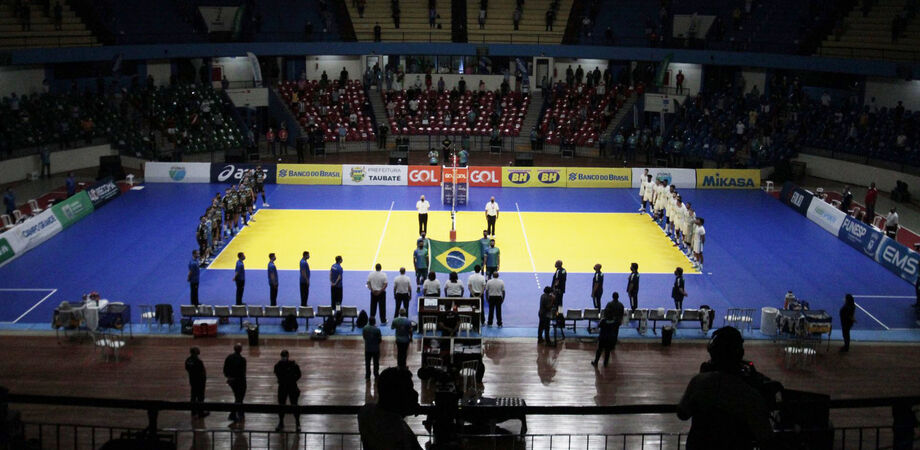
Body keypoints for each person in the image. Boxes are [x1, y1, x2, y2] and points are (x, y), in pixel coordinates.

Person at [677, 327, 774, 450]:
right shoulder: (749, 393)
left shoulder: (699, 382)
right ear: (740, 354)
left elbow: (682, 413)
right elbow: (765, 436)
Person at [357, 367, 422, 450]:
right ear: (397, 395)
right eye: (409, 389)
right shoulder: (400, 435)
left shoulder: (366, 414)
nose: (415, 394)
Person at [592, 293, 624, 367]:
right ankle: (606, 363)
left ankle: (596, 362)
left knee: (599, 350)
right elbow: (622, 314)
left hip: (603, 338)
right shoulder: (621, 305)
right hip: (613, 329)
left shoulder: (604, 320)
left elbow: (599, 326)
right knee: (608, 350)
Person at [274, 350, 302, 431]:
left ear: (287, 356)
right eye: (283, 356)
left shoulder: (293, 365)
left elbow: (299, 374)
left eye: (284, 356)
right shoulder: (278, 365)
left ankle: (297, 423)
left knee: (294, 405)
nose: (283, 358)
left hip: (291, 387)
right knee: (281, 406)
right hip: (283, 387)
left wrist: (293, 380)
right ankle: (281, 423)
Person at [223, 343, 247, 426]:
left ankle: (239, 412)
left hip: (232, 381)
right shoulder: (242, 360)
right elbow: (242, 372)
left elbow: (225, 369)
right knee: (239, 397)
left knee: (237, 397)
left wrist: (229, 377)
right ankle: (234, 413)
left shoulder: (229, 357)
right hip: (240, 381)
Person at [185, 347, 208, 418]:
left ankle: (193, 411)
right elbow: (202, 371)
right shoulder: (198, 361)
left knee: (193, 395)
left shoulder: (188, 360)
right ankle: (201, 412)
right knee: (200, 397)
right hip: (199, 381)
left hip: (192, 380)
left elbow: (187, 368)